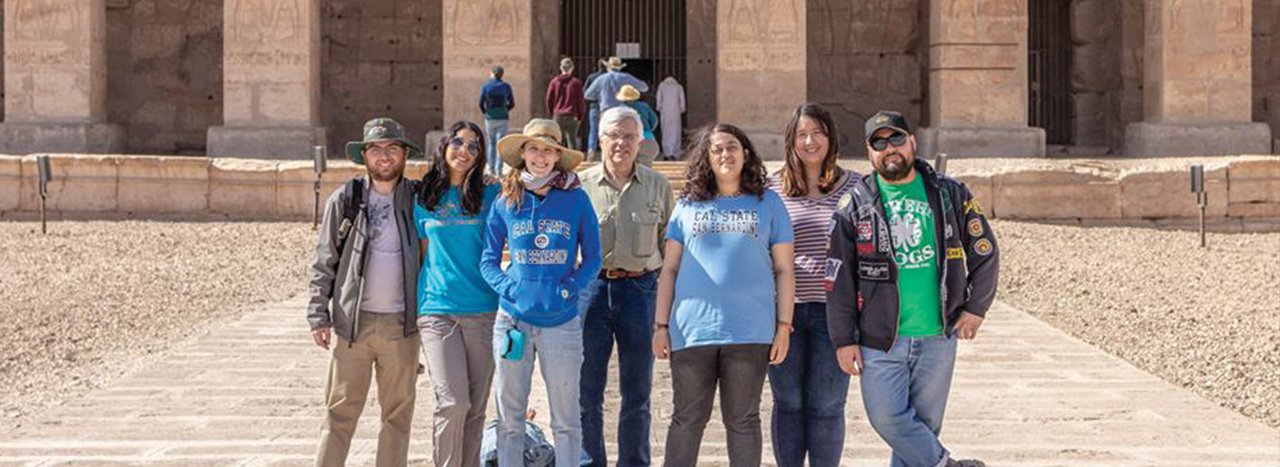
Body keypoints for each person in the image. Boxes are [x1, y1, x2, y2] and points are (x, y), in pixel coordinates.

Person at [826, 111, 1000, 467]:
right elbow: (838, 278)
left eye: (896, 139)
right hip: (880, 339)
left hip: (938, 334)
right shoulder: (855, 204)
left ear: (912, 142)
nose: (889, 149)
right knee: (888, 419)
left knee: (923, 430)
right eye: (879, 142)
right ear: (869, 151)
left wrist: (975, 306)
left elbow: (985, 250)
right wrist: (843, 339)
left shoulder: (949, 193)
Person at [652, 123, 796, 467]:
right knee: (687, 419)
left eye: (732, 147)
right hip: (692, 331)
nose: (725, 155)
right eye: (716, 149)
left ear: (746, 154)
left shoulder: (769, 203)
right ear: (707, 158)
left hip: (750, 330)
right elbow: (669, 269)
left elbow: (785, 269)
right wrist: (660, 324)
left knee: (744, 421)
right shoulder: (687, 205)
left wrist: (784, 326)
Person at [480, 119, 603, 467]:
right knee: (510, 419)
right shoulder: (507, 200)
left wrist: (570, 290)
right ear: (522, 154)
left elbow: (593, 258)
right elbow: (488, 260)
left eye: (548, 150)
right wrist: (510, 288)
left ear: (557, 156)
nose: (540, 156)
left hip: (561, 323)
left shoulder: (576, 199)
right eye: (533, 148)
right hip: (513, 322)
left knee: (566, 420)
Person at [307, 117, 424, 467]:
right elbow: (323, 259)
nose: (384, 157)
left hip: (402, 326)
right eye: (376, 149)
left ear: (404, 155)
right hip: (352, 327)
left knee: (397, 417)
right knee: (339, 414)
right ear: (365, 156)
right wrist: (318, 314)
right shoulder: (346, 198)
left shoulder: (418, 198)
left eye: (391, 149)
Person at [577, 106, 674, 467]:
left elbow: (668, 246)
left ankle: (635, 462)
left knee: (638, 392)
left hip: (641, 291)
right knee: (587, 391)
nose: (622, 143)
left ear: (641, 142)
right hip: (592, 292)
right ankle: (590, 462)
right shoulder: (581, 186)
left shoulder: (658, 186)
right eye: (614, 136)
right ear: (600, 140)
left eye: (630, 136)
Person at [764, 103, 859, 467]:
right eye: (802, 134)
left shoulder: (854, 186)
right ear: (791, 140)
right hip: (784, 313)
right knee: (788, 402)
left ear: (830, 137)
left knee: (827, 404)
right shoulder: (772, 188)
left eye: (817, 132)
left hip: (835, 313)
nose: (810, 141)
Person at [414, 121, 502, 467]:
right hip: (438, 309)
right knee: (453, 402)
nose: (463, 151)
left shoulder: (491, 195)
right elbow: (422, 256)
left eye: (474, 146)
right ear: (445, 146)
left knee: (476, 408)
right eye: (458, 142)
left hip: (483, 309)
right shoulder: (424, 195)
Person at [480, 65, 515, 176]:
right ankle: (499, 170)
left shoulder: (486, 86)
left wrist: (486, 113)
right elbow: (512, 103)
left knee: (491, 143)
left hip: (490, 118)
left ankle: (491, 169)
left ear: (492, 73)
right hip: (503, 118)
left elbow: (481, 103)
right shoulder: (506, 86)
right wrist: (505, 110)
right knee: (500, 144)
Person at [546, 57, 587, 151]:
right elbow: (580, 101)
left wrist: (552, 112)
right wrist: (580, 116)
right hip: (572, 115)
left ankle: (558, 160)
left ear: (561, 68)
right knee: (572, 141)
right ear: (572, 68)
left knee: (558, 140)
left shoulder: (554, 82)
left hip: (558, 115)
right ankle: (572, 162)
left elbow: (549, 99)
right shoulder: (576, 83)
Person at [583, 56, 648, 114]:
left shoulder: (601, 79)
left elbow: (587, 95)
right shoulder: (627, 77)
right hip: (623, 112)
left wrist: (600, 96)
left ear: (608, 67)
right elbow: (644, 88)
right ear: (620, 68)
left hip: (606, 112)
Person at [616, 85, 661, 166]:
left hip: (629, 139)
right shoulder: (644, 106)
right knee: (646, 167)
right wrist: (648, 130)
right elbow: (654, 121)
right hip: (647, 138)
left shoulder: (620, 110)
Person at [655, 76, 685, 160]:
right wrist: (682, 109)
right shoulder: (678, 87)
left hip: (665, 111)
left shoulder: (662, 86)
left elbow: (658, 98)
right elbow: (682, 100)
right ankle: (675, 153)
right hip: (676, 112)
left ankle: (667, 152)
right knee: (676, 131)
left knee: (666, 131)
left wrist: (659, 107)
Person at [584, 60, 608, 159]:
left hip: (594, 106)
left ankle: (591, 152)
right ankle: (605, 153)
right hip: (607, 108)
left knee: (593, 130)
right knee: (607, 131)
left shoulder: (591, 77)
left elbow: (585, 92)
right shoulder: (608, 78)